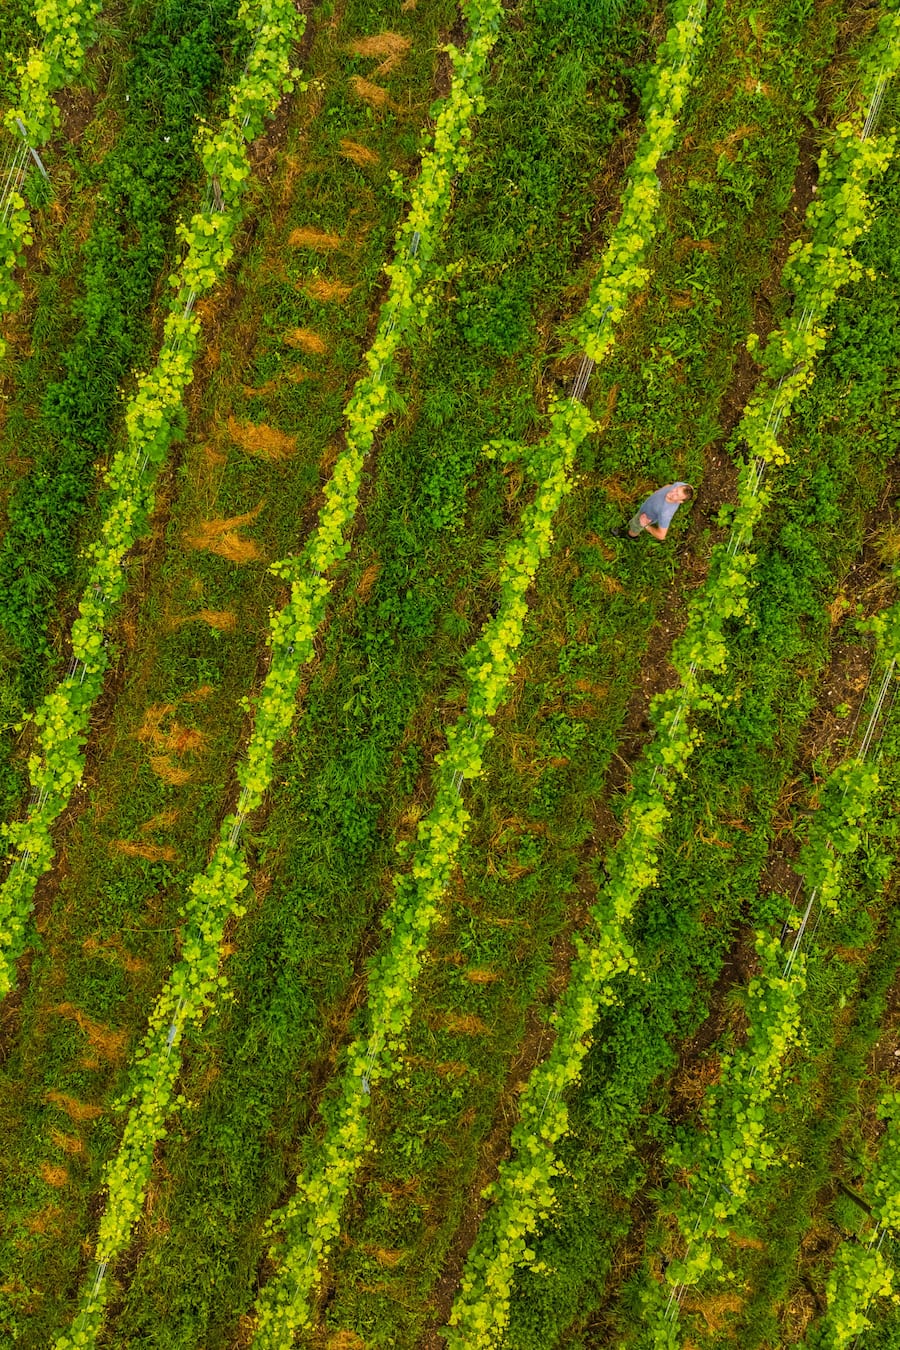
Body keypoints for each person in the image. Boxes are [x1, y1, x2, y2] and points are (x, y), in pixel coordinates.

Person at [611, 482, 693, 542]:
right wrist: (660, 490)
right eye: (676, 490)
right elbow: (673, 486)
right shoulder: (681, 486)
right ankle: (632, 524)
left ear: (680, 501)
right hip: (647, 505)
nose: (672, 492)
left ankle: (629, 535)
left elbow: (661, 535)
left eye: (677, 495)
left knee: (635, 526)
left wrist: (645, 526)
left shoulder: (665, 513)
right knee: (636, 516)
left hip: (646, 516)